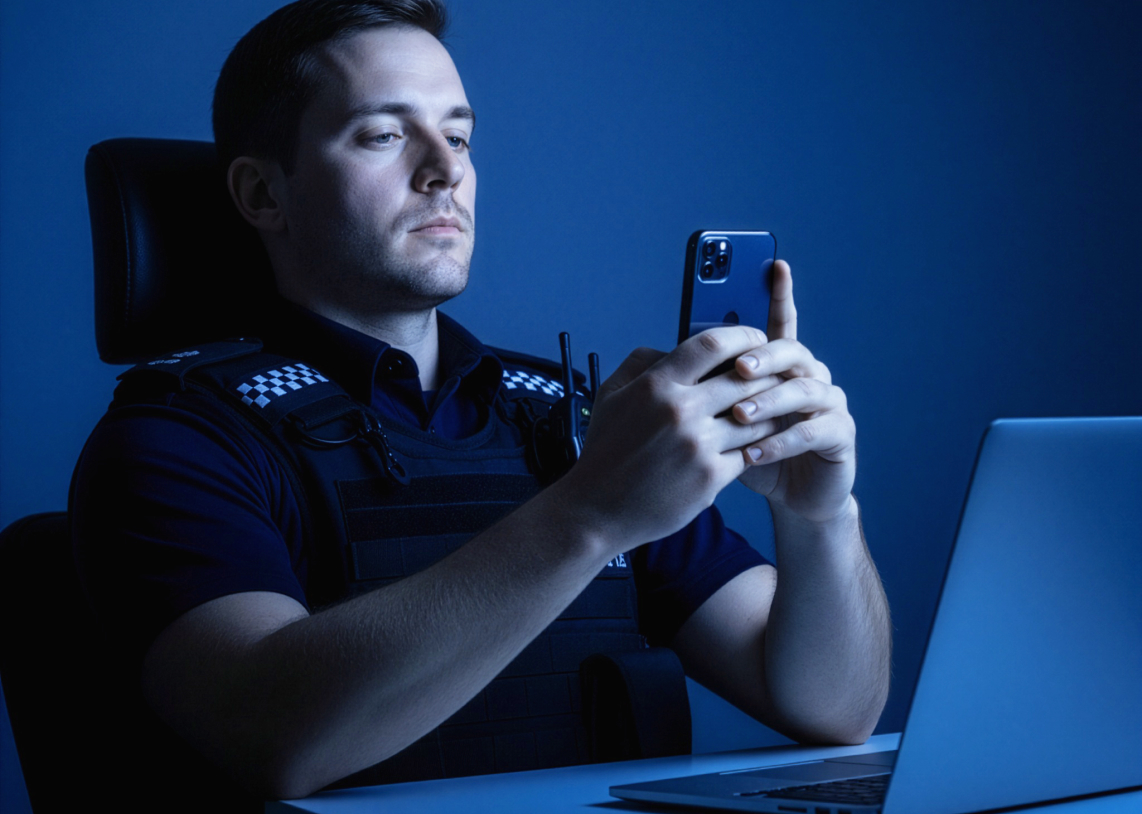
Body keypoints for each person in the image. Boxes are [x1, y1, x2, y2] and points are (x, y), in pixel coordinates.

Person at [71, 0, 890, 805]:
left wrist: (820, 519)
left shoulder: (573, 417)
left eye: (458, 136)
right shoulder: (174, 441)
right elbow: (272, 738)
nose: (445, 169)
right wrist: (591, 512)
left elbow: (835, 708)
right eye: (385, 135)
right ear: (261, 195)